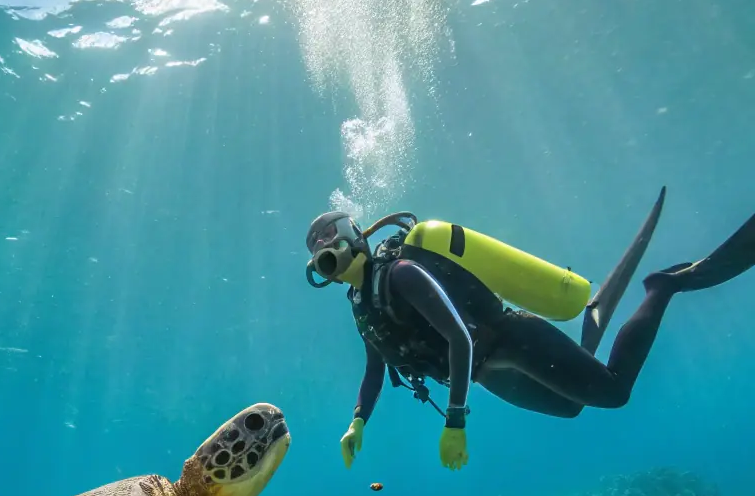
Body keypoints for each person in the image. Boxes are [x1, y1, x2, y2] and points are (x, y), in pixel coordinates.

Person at [304, 193, 755, 471]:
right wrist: (358, 421)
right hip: (486, 372)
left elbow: (459, 336)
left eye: (333, 249)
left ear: (355, 240)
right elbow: (375, 365)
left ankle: (662, 287)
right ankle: (589, 334)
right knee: (572, 409)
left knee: (614, 393)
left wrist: (455, 421)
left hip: (510, 340)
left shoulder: (401, 275)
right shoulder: (362, 305)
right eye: (322, 259)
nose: (331, 264)